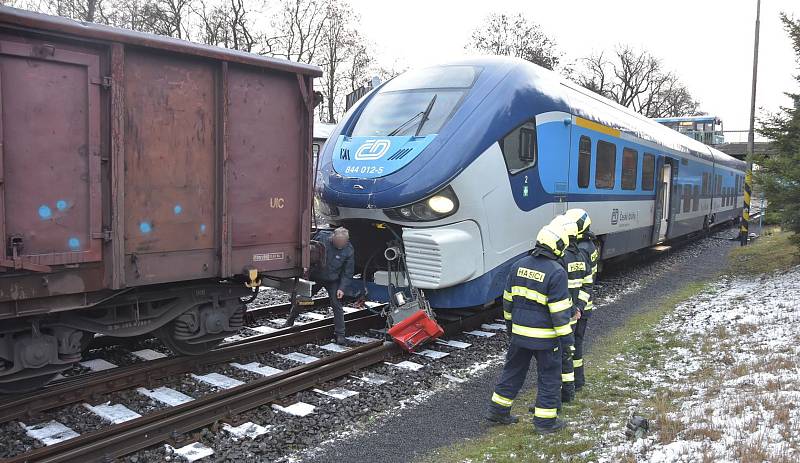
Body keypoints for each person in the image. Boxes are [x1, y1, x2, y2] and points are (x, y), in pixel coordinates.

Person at [487, 223, 574, 434]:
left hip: (519, 334)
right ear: (558, 246)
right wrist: (568, 343)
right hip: (546, 339)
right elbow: (560, 314)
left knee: (512, 372)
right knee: (549, 377)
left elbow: (507, 302)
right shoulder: (557, 272)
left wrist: (511, 329)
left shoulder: (518, 265)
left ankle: (498, 411)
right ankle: (545, 423)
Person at [284, 227, 354, 345]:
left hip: (332, 280)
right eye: (338, 242)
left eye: (343, 243)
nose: (340, 245)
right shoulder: (322, 238)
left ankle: (340, 335)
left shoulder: (349, 250)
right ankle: (290, 320)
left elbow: (348, 271)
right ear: (333, 238)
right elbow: (308, 251)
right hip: (316, 277)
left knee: (337, 305)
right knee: (302, 300)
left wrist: (342, 288)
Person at [548, 214, 588, 404]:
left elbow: (560, 290)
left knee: (560, 355)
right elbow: (587, 284)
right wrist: (579, 308)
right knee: (569, 352)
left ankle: (562, 394)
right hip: (575, 312)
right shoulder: (581, 256)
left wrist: (572, 309)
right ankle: (570, 391)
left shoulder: (561, 259)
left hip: (563, 313)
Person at [565, 208, 597, 391]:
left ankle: (573, 383)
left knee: (572, 346)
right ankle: (579, 380)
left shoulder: (581, 249)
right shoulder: (590, 245)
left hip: (578, 307)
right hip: (585, 304)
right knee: (577, 344)